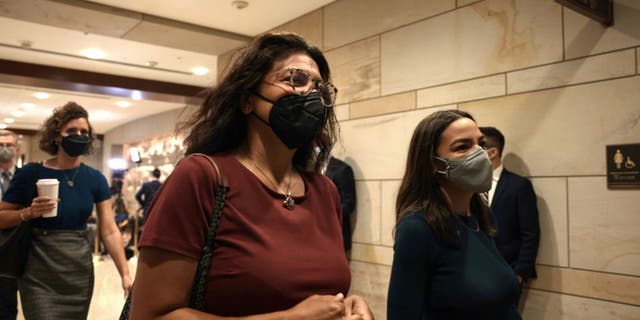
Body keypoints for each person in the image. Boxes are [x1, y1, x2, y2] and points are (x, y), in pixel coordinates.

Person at [129, 32, 373, 320]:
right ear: (247, 100)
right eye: (294, 79)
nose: (311, 95)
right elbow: (151, 315)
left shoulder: (325, 191)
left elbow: (318, 293)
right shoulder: (202, 177)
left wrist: (348, 305)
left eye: (319, 87)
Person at [0, 102, 132, 319]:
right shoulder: (30, 173)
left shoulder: (95, 179)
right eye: (71, 131)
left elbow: (109, 230)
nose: (78, 135)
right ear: (56, 136)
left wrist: (125, 273)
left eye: (84, 132)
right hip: (38, 271)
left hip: (78, 271)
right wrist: (27, 213)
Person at [387, 110, 521, 319]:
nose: (479, 153)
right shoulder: (418, 228)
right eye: (463, 147)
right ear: (433, 163)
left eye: (481, 144)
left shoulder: (483, 217)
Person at [480, 126, 540, 291]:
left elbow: (531, 233)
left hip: (507, 272)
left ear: (492, 152)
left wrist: (519, 275)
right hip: (474, 273)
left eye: (477, 148)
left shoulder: (519, 186)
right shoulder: (468, 186)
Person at [0, 129, 20, 320]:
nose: (4, 149)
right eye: (0, 146)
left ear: (17, 149)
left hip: (18, 245)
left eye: (8, 145)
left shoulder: (26, 177)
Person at [324, 156, 356, 254]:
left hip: (336, 236)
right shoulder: (307, 168)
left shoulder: (342, 169)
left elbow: (349, 203)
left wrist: (325, 214)